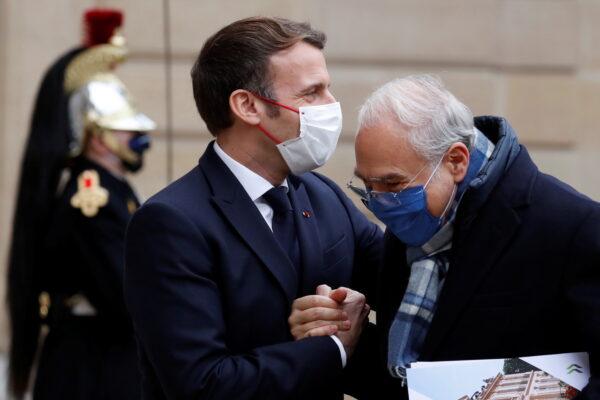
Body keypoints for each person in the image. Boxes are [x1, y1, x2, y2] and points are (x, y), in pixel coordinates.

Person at [124, 16, 399, 400]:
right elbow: (201, 384)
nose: (331, 106)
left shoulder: (323, 195)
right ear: (248, 105)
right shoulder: (172, 222)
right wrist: (332, 347)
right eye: (312, 92)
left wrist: (346, 310)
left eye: (328, 89)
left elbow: (401, 283)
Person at [347, 74, 600, 398]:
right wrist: (346, 343)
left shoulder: (574, 228)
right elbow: (412, 380)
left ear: (456, 161)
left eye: (393, 185)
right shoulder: (414, 227)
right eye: (368, 185)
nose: (380, 201)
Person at [7, 8, 156, 400]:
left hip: (105, 356)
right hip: (91, 365)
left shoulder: (111, 187)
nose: (135, 137)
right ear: (95, 133)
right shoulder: (91, 197)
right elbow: (124, 296)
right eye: (125, 129)